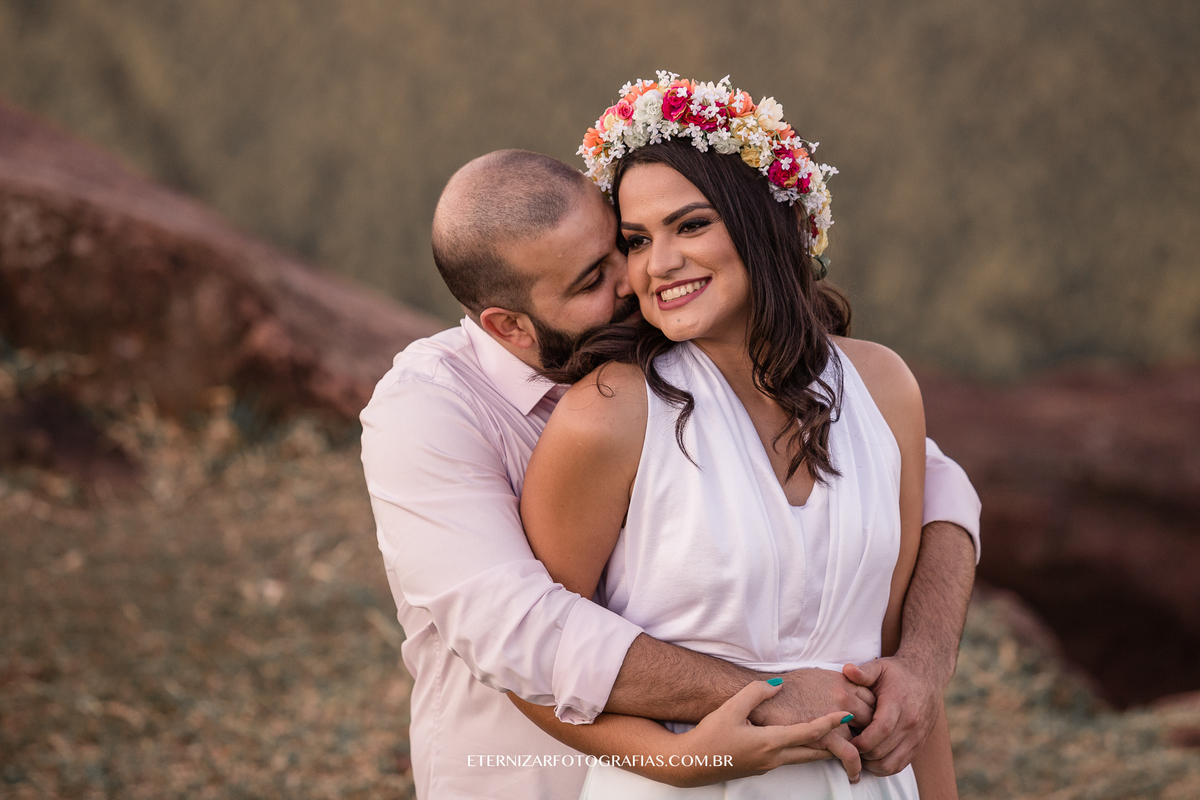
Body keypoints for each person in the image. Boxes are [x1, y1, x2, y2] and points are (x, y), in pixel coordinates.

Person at [359, 146, 981, 796]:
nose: (641, 278)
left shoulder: (765, 370)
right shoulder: (429, 410)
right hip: (529, 779)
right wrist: (725, 726)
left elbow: (935, 492)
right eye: (594, 279)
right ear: (510, 326)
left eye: (621, 246)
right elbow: (518, 630)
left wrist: (924, 663)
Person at [509, 73, 959, 798]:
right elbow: (533, 663)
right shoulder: (608, 413)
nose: (658, 264)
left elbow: (902, 670)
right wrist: (684, 762)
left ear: (764, 223)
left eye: (690, 225)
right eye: (636, 240)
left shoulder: (883, 386)